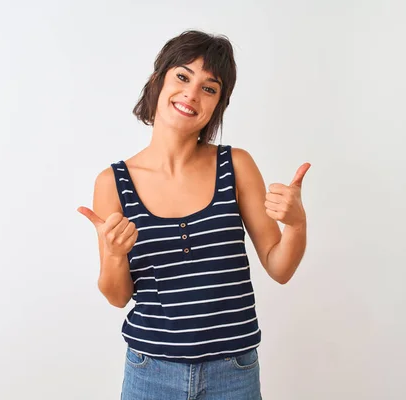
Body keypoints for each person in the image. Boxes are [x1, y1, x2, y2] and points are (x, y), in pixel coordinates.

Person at [78, 30, 310, 400]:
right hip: (150, 370)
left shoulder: (236, 165)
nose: (191, 93)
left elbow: (279, 267)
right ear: (158, 81)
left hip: (233, 371)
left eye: (209, 88)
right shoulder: (113, 182)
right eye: (183, 77)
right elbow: (117, 296)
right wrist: (114, 253)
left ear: (218, 104)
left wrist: (296, 224)